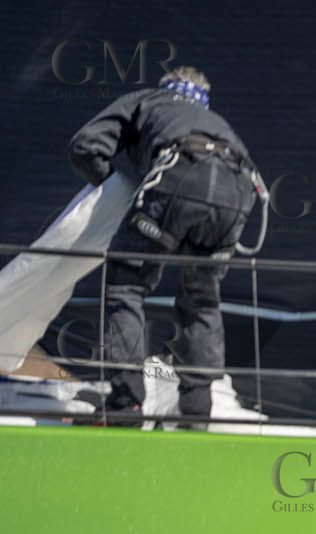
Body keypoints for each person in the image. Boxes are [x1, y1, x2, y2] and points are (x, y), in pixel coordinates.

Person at [68, 66, 260, 423]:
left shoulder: (149, 99)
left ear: (166, 88)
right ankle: (197, 413)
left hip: (178, 174)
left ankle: (127, 403)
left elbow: (85, 145)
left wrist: (113, 190)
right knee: (202, 300)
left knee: (125, 285)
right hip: (237, 190)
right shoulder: (215, 121)